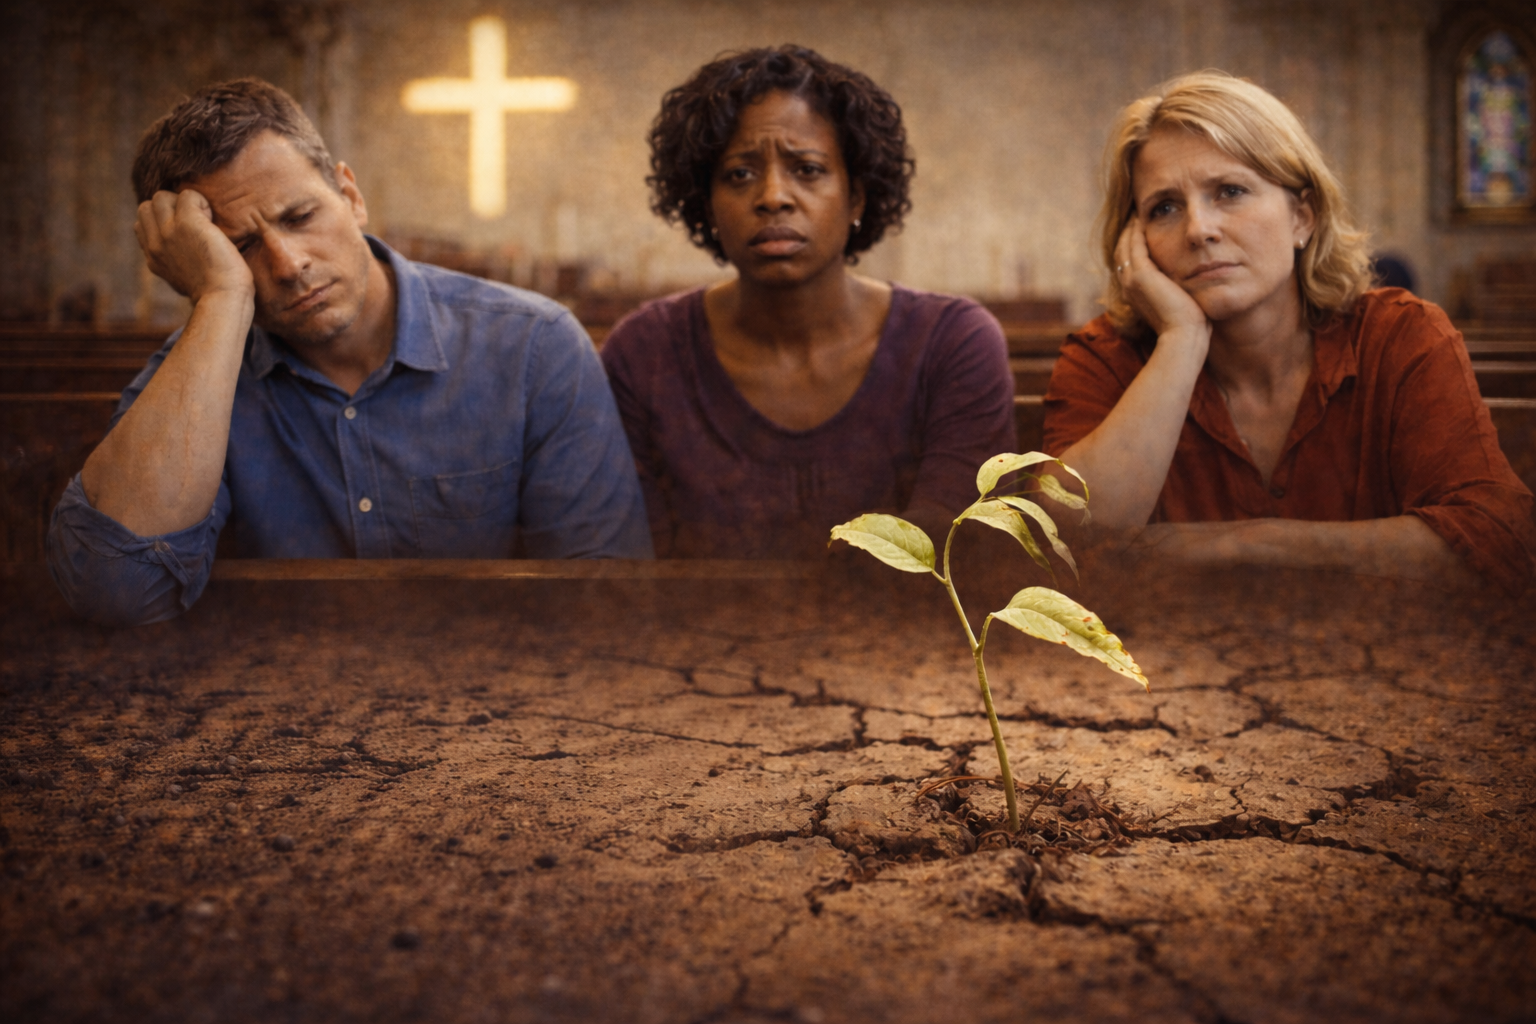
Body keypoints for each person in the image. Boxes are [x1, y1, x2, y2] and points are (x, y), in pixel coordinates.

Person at [48, 78, 651, 626]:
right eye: (240, 249)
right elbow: (116, 592)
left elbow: (603, 598)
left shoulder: (534, 346)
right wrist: (223, 299)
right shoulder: (195, 377)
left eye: (301, 216)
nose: (288, 264)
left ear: (350, 196)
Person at [1042, 71, 1533, 593]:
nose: (1198, 229)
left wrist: (1245, 545)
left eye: (1229, 191)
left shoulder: (1400, 337)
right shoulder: (1103, 357)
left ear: (1303, 217)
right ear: (1134, 243)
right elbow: (1057, 555)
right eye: (1164, 207)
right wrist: (1181, 341)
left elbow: (1499, 542)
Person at [600, 46, 1016, 558]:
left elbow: (948, 559)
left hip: (909, 635)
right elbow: (636, 576)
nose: (773, 195)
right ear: (705, 204)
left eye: (808, 169)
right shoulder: (645, 354)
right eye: (739, 174)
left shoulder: (951, 343)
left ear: (857, 197)